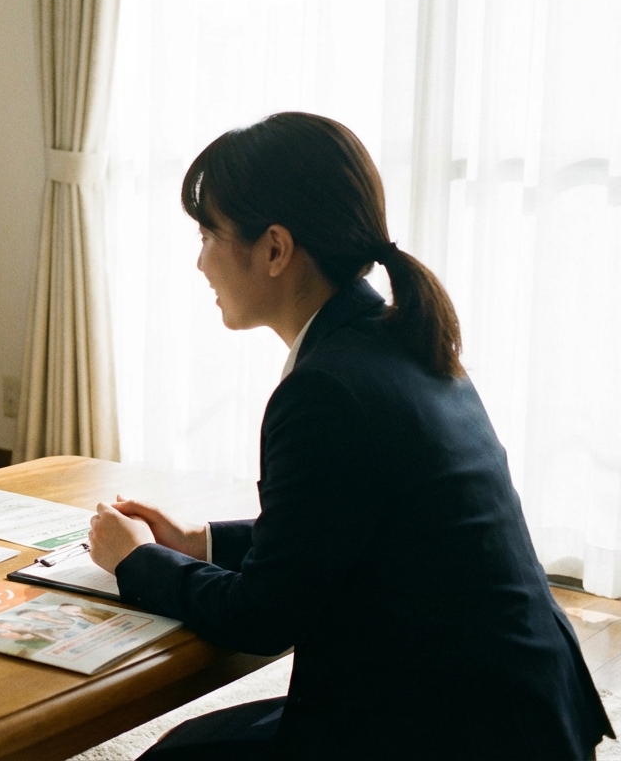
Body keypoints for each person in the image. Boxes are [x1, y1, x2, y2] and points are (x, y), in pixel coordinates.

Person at [87, 112, 612, 759]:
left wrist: (133, 560)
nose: (199, 262)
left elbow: (262, 616)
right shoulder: (400, 338)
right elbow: (346, 529)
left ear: (275, 249)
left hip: (452, 730)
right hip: (522, 707)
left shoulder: (325, 390)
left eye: (207, 234)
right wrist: (203, 543)